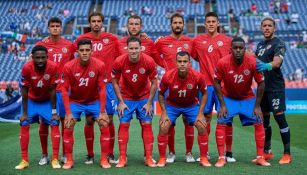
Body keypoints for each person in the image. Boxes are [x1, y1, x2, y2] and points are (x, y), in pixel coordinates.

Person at [214, 37, 270, 167]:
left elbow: (261, 83)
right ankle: (222, 158)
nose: (238, 50)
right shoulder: (222, 62)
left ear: (245, 49)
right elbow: (216, 82)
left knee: (259, 120)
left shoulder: (252, 62)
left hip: (247, 98)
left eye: (241, 48)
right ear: (230, 50)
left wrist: (257, 106)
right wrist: (222, 104)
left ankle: (260, 157)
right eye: (235, 48)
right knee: (221, 120)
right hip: (229, 98)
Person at [74, 12, 119, 164]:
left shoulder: (112, 38)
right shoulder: (81, 40)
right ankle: (91, 154)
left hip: (107, 85)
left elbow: (123, 52)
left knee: (109, 119)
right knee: (89, 120)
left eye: (99, 21)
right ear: (89, 23)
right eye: (93, 21)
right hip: (89, 85)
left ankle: (110, 153)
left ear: (102, 23)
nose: (96, 23)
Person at [191, 11, 235, 162]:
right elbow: (193, 56)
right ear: (205, 24)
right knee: (206, 118)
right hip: (206, 86)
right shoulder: (197, 41)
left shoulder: (227, 41)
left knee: (227, 118)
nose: (210, 24)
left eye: (213, 21)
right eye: (208, 21)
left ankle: (228, 153)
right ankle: (205, 152)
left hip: (224, 85)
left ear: (217, 23)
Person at [61, 39, 111, 169]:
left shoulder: (99, 65)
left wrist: (102, 110)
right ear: (77, 51)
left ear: (92, 51)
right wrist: (68, 112)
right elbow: (64, 90)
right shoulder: (69, 66)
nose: (84, 53)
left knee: (104, 123)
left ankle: (104, 159)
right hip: (75, 102)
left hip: (93, 101)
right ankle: (69, 160)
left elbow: (102, 89)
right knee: (67, 124)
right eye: (82, 50)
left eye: (87, 50)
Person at [156, 51, 211, 167]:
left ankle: (203, 158)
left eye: (185, 61)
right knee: (163, 126)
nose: (182, 64)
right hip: (172, 105)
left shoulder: (197, 76)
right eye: (180, 61)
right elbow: (160, 93)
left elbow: (205, 93)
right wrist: (164, 113)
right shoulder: (168, 76)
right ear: (176, 63)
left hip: (191, 105)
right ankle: (162, 158)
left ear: (189, 63)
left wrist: (201, 113)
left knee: (202, 125)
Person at [155, 13, 195, 163]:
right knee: (169, 122)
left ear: (183, 25)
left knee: (188, 121)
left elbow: (197, 56)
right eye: (175, 23)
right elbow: (153, 53)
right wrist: (164, 66)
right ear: (171, 24)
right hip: (170, 85)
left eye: (180, 23)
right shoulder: (163, 42)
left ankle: (189, 153)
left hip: (188, 86)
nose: (177, 25)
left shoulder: (190, 42)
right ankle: (171, 152)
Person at [112, 37, 157, 168]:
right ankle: (122, 158)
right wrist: (120, 101)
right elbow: (114, 81)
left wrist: (149, 103)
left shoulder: (148, 61)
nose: (133, 51)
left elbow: (154, 82)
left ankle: (148, 157)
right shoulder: (119, 61)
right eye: (131, 48)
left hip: (144, 97)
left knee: (147, 124)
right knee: (124, 124)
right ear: (127, 49)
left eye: (136, 48)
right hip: (126, 98)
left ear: (140, 48)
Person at [36, 17, 74, 164]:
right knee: (44, 123)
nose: (55, 28)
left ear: (61, 27)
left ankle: (64, 154)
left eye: (58, 26)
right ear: (48, 28)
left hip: (63, 90)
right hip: (46, 91)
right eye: (53, 26)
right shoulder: (41, 45)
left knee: (65, 123)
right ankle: (45, 154)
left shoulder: (69, 46)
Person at [15, 45, 60, 169]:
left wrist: (54, 111)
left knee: (55, 122)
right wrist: (24, 113)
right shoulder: (26, 68)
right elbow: (24, 90)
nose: (40, 60)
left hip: (46, 101)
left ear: (47, 57)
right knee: (24, 123)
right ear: (32, 57)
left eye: (43, 57)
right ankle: (24, 160)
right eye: (37, 58)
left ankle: (55, 159)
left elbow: (52, 90)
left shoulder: (53, 67)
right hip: (31, 101)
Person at [255, 16, 292, 164]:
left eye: (270, 25)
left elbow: (277, 63)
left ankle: (287, 154)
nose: (267, 28)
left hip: (275, 87)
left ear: (274, 28)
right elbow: (254, 61)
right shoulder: (259, 45)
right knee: (264, 120)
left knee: (279, 118)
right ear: (261, 28)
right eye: (264, 26)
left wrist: (266, 66)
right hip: (262, 87)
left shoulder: (279, 43)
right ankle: (267, 152)